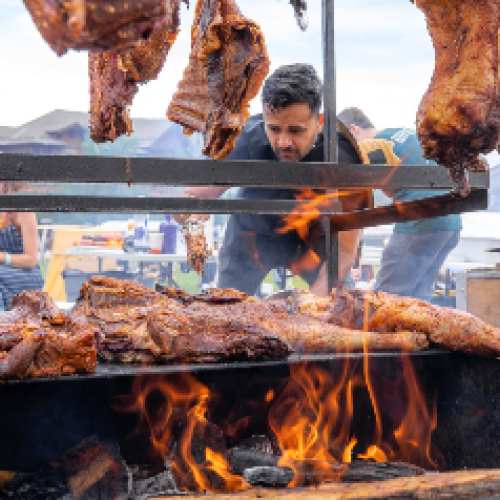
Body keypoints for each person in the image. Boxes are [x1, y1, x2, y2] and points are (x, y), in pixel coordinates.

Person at [174, 64, 364, 296]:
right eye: (274, 129)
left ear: (320, 121)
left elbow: (345, 250)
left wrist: (312, 305)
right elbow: (192, 195)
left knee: (340, 310)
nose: (283, 141)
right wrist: (187, 214)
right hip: (252, 237)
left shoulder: (345, 156)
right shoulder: (243, 140)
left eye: (296, 130)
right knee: (227, 314)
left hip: (317, 240)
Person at [338, 107, 461, 303]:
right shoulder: (403, 134)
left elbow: (361, 201)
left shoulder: (374, 146)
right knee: (420, 299)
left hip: (421, 223)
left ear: (353, 130)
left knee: (384, 301)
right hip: (451, 224)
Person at [0, 183, 44, 310]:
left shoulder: (22, 209)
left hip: (24, 273)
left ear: (5, 184)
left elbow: (31, 260)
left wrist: (2, 257)